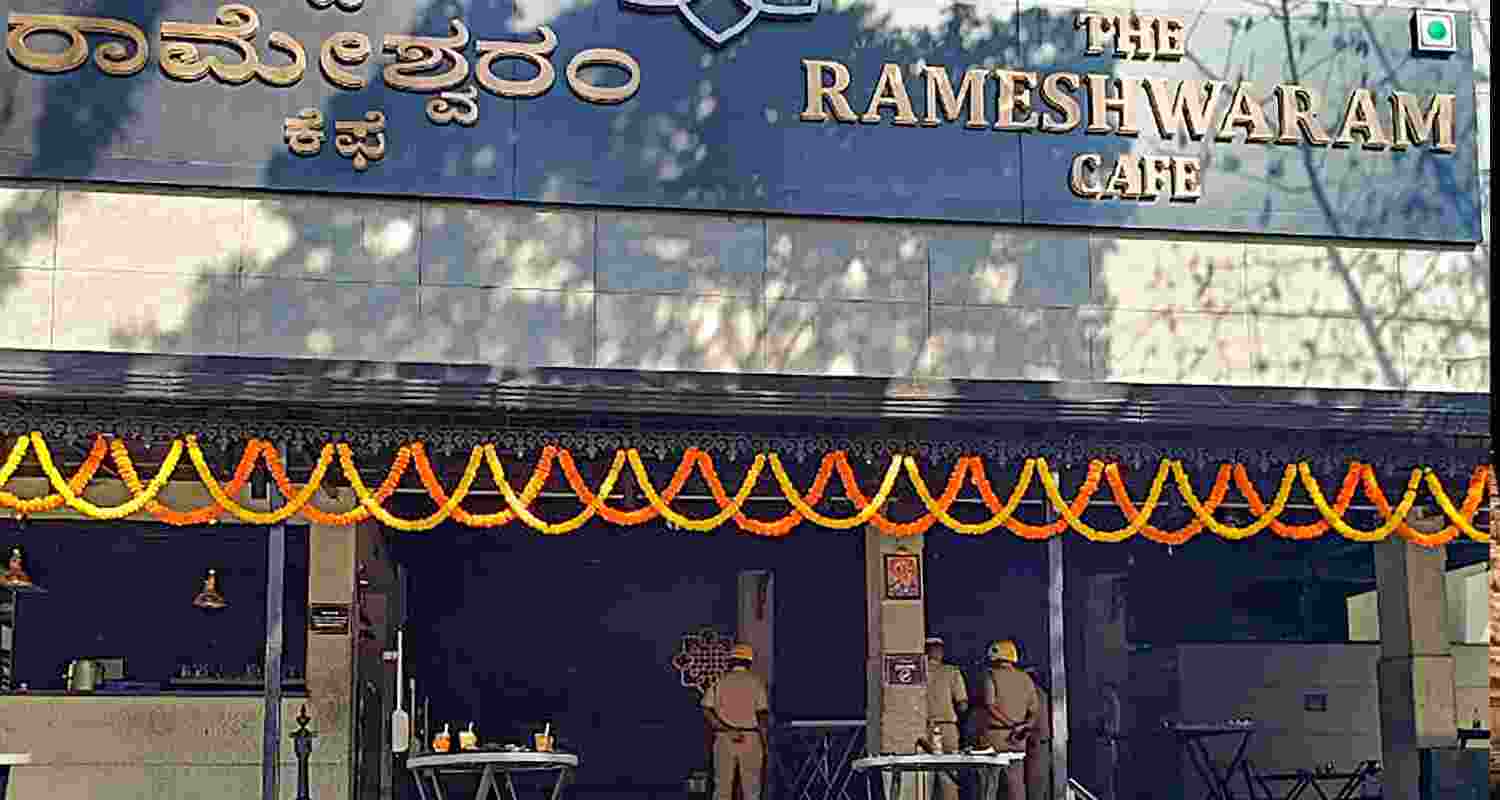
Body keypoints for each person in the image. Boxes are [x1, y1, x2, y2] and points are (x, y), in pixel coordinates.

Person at [702, 644, 770, 800]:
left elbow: (706, 709)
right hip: (750, 738)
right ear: (749, 662)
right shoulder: (756, 683)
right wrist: (765, 744)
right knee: (752, 789)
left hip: (724, 738)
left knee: (722, 788)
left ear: (731, 661)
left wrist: (726, 729)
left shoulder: (719, 682)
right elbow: (762, 718)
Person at [980, 640, 1039, 800]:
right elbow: (1034, 711)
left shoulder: (990, 675)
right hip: (1017, 740)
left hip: (994, 737)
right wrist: (1023, 727)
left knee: (989, 785)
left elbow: (990, 706)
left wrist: (1011, 725)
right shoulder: (1026, 678)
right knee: (1016, 786)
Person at [924, 636, 969, 800]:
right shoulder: (951, 671)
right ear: (939, 651)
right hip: (947, 728)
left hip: (922, 728)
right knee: (948, 776)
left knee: (923, 776)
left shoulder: (917, 673)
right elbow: (962, 704)